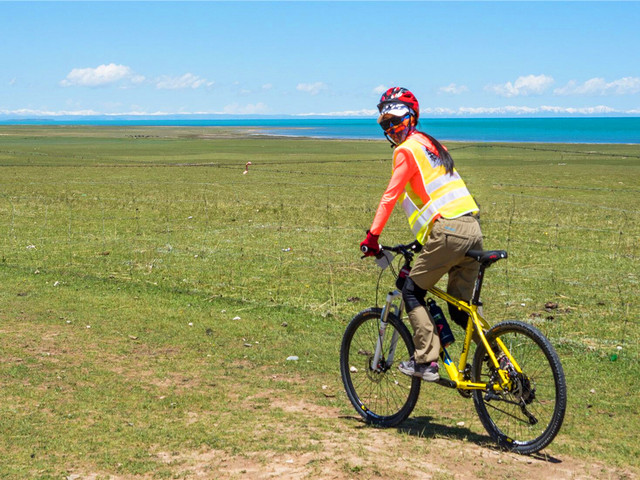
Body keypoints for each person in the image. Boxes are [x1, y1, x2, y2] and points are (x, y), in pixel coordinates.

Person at [359, 87, 483, 382]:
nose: (391, 128)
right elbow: (438, 198)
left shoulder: (406, 150)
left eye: (396, 121)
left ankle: (426, 360)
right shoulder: (432, 145)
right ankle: (499, 358)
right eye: (385, 124)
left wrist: (372, 237)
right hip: (472, 229)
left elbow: (391, 196)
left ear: (411, 118)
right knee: (459, 310)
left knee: (412, 291)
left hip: (449, 233)